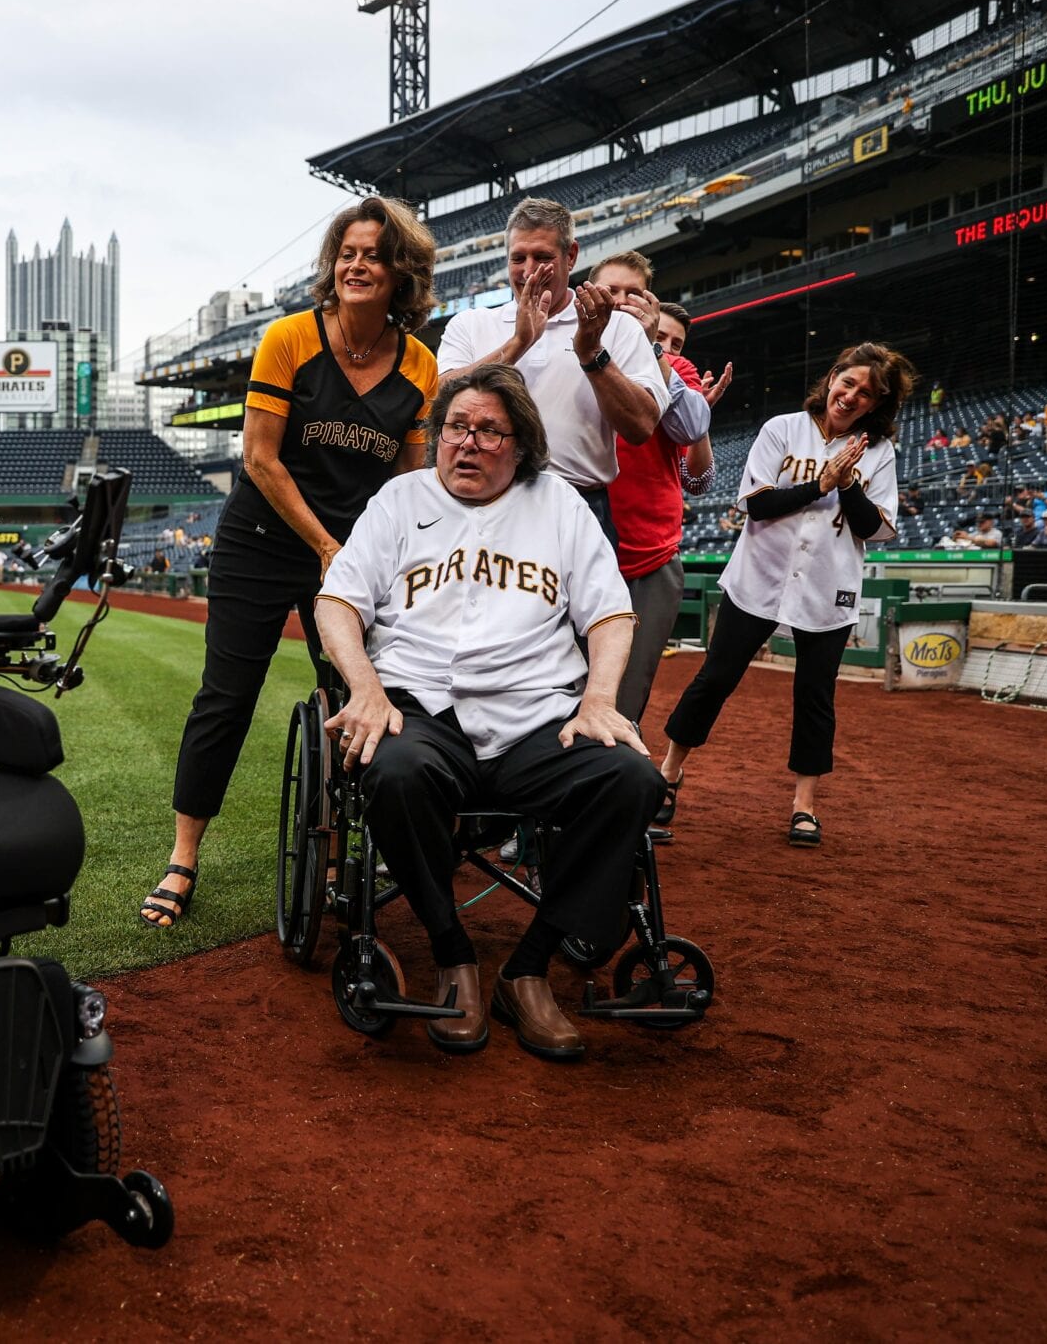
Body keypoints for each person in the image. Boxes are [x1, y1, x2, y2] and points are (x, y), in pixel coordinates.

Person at [314, 364, 660, 1058]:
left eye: (488, 431)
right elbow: (338, 603)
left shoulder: (557, 503)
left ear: (522, 444)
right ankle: (454, 954)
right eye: (455, 428)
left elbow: (612, 615)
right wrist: (365, 688)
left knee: (633, 780)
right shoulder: (397, 499)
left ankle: (529, 967)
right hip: (422, 712)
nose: (466, 443)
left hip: (536, 718)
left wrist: (598, 699)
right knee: (392, 772)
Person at [140, 197, 438, 928]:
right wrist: (326, 547)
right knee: (227, 695)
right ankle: (183, 856)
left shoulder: (421, 366)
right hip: (264, 541)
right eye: (347, 252)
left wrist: (384, 558)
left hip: (352, 553)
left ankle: (335, 849)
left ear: (402, 271)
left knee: (353, 697)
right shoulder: (289, 338)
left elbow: (407, 481)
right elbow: (260, 460)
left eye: (373, 253)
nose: (356, 263)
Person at [657, 341, 910, 849]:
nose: (852, 396)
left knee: (816, 697)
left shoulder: (879, 453)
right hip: (758, 577)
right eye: (849, 382)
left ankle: (804, 804)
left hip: (828, 585)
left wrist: (847, 484)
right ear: (833, 377)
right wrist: (822, 484)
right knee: (715, 679)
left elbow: (874, 528)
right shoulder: (782, 428)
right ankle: (667, 775)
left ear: (877, 404)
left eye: (867, 393)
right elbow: (758, 506)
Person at [435, 200, 666, 545]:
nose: (528, 270)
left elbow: (641, 426)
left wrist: (591, 353)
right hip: (481, 503)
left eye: (543, 258)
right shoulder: (472, 324)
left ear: (570, 255)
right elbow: (440, 400)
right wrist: (518, 343)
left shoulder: (615, 327)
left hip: (579, 505)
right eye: (518, 258)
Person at [582, 255, 725, 724]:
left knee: (625, 692)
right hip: (575, 543)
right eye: (611, 290)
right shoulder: (564, 346)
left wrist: (653, 350)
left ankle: (612, 788)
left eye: (632, 293)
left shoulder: (672, 364)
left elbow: (692, 436)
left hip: (648, 550)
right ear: (589, 289)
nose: (620, 301)